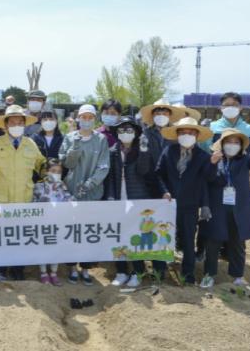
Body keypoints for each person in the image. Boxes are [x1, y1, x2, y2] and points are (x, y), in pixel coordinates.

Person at [0, 105, 46, 281]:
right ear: (5, 125)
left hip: (24, 198)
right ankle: (0, 270)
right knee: (0, 234)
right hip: (0, 198)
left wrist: (49, 172)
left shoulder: (30, 144)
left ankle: (18, 270)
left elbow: (41, 164)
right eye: (12, 122)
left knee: (21, 235)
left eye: (20, 122)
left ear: (24, 125)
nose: (16, 125)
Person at [201, 129, 250, 288]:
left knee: (237, 243)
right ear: (222, 144)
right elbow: (206, 178)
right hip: (217, 209)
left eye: (236, 142)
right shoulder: (214, 159)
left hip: (239, 209)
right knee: (213, 242)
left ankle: (237, 276)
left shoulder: (245, 160)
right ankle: (209, 274)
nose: (232, 145)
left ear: (241, 146)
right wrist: (212, 163)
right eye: (229, 142)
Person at [156, 117, 217, 284]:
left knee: (189, 240)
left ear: (197, 135)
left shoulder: (203, 156)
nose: (186, 135)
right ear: (177, 135)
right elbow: (159, 173)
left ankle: (188, 274)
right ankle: (160, 270)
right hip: (168, 204)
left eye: (190, 133)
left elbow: (209, 178)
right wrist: (164, 191)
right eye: (182, 132)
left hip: (190, 205)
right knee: (163, 236)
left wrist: (213, 164)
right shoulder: (169, 151)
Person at [104, 116, 164, 287]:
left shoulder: (142, 149)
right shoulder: (113, 151)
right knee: (119, 238)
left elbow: (145, 172)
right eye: (121, 130)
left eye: (129, 130)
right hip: (119, 200)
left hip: (139, 200)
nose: (125, 133)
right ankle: (121, 271)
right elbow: (110, 177)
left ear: (136, 132)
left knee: (135, 237)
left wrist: (144, 151)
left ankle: (138, 272)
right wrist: (110, 196)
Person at [58, 104, 110, 285]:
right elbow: (68, 164)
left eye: (90, 117)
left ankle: (86, 269)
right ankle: (72, 267)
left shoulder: (101, 139)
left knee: (89, 231)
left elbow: (103, 167)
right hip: (72, 192)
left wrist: (88, 186)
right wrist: (76, 145)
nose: (86, 120)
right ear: (78, 118)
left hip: (92, 194)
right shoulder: (70, 137)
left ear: (95, 119)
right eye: (83, 117)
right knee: (72, 231)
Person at [32, 158, 71, 286]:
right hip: (43, 222)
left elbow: (69, 200)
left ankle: (54, 273)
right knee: (42, 247)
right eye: (53, 171)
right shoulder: (38, 185)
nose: (56, 174)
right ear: (46, 171)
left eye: (59, 172)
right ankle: (43, 273)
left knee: (56, 247)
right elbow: (33, 203)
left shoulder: (62, 185)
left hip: (58, 222)